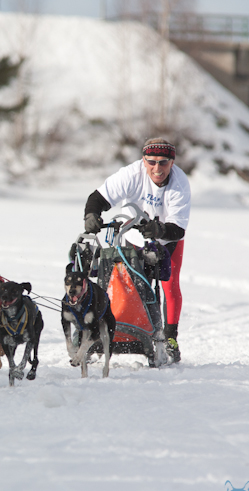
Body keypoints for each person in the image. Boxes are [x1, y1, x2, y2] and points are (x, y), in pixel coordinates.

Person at [83, 138, 191, 362]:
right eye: (151, 162)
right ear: (144, 161)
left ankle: (169, 337)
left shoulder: (179, 183)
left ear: (172, 162)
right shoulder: (131, 174)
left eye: (163, 163)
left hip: (166, 240)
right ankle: (122, 330)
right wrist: (92, 215)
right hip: (133, 237)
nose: (157, 168)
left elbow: (178, 229)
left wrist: (158, 229)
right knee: (127, 285)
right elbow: (98, 197)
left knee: (168, 286)